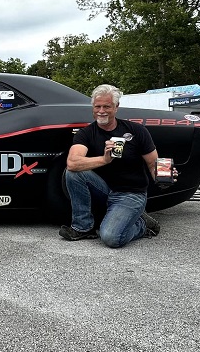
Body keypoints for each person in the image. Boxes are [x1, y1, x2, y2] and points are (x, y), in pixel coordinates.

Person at [61, 84, 162, 248]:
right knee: (72, 172)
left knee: (110, 238)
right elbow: (72, 163)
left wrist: (165, 177)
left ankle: (142, 225)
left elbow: (153, 163)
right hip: (103, 189)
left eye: (106, 106)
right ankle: (83, 227)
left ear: (116, 107)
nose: (101, 111)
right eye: (97, 106)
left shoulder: (136, 130)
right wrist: (104, 159)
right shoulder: (85, 133)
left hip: (130, 194)